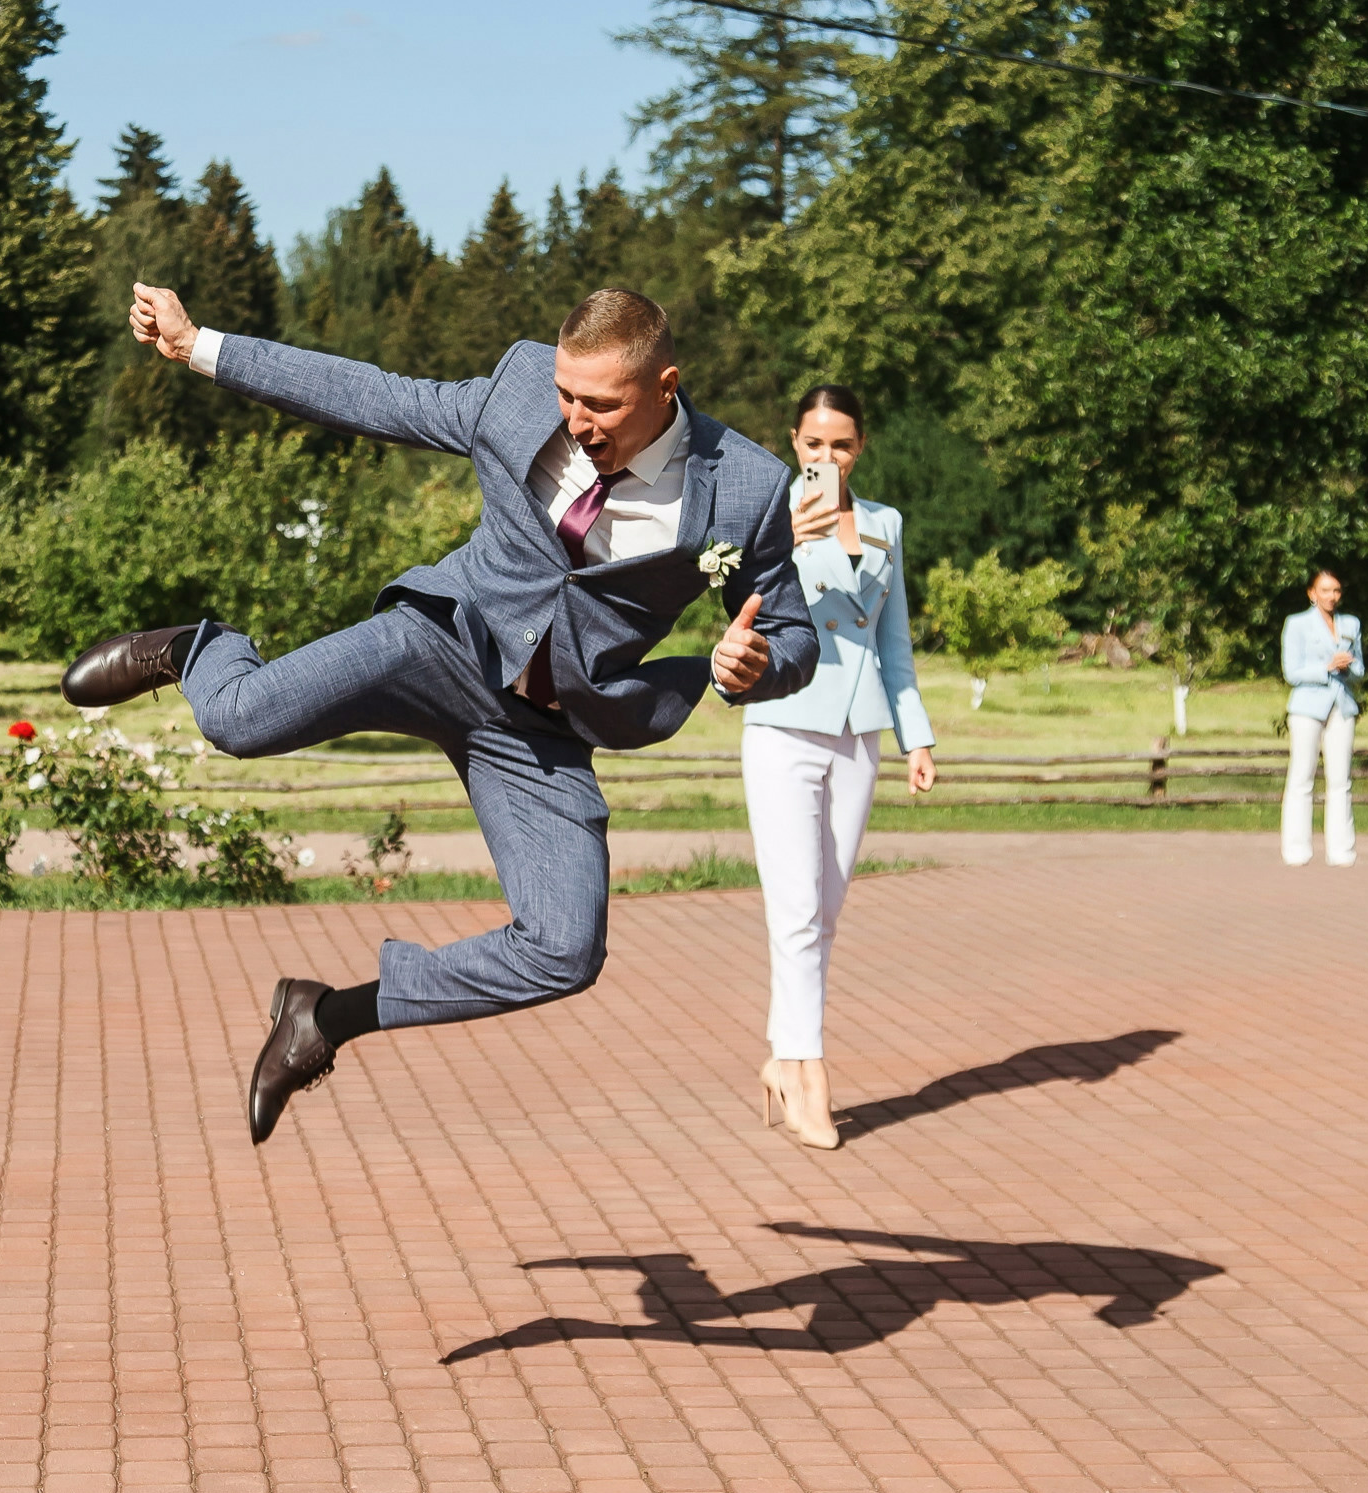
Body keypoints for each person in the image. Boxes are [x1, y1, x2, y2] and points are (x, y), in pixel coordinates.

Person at [64, 283, 818, 1144]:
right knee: (235, 719)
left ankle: (326, 1018)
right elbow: (374, 396)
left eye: (602, 404)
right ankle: (197, 647)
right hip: (440, 645)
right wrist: (200, 344)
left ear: (666, 386)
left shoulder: (747, 488)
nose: (577, 420)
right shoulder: (519, 388)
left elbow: (794, 638)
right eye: (569, 396)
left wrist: (748, 665)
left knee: (565, 950)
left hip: (544, 726)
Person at [739, 385, 937, 1150]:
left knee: (823, 910)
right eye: (815, 444)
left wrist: (917, 737)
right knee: (793, 911)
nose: (828, 457)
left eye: (842, 444)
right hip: (785, 722)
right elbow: (740, 602)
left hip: (862, 733)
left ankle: (782, 1052)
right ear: (795, 442)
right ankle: (807, 1071)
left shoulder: (886, 523)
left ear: (861, 447)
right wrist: (784, 536)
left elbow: (895, 645)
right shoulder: (768, 517)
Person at [1278, 570, 1363, 866]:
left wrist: (1347, 667)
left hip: (1342, 706)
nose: (1332, 596)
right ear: (1312, 594)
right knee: (1302, 777)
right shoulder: (1297, 624)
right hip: (1307, 708)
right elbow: (1291, 672)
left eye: (1336, 590)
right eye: (1325, 590)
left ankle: (1342, 852)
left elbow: (1361, 670)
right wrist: (1327, 667)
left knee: (1340, 781)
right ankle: (1296, 851)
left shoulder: (1351, 624)